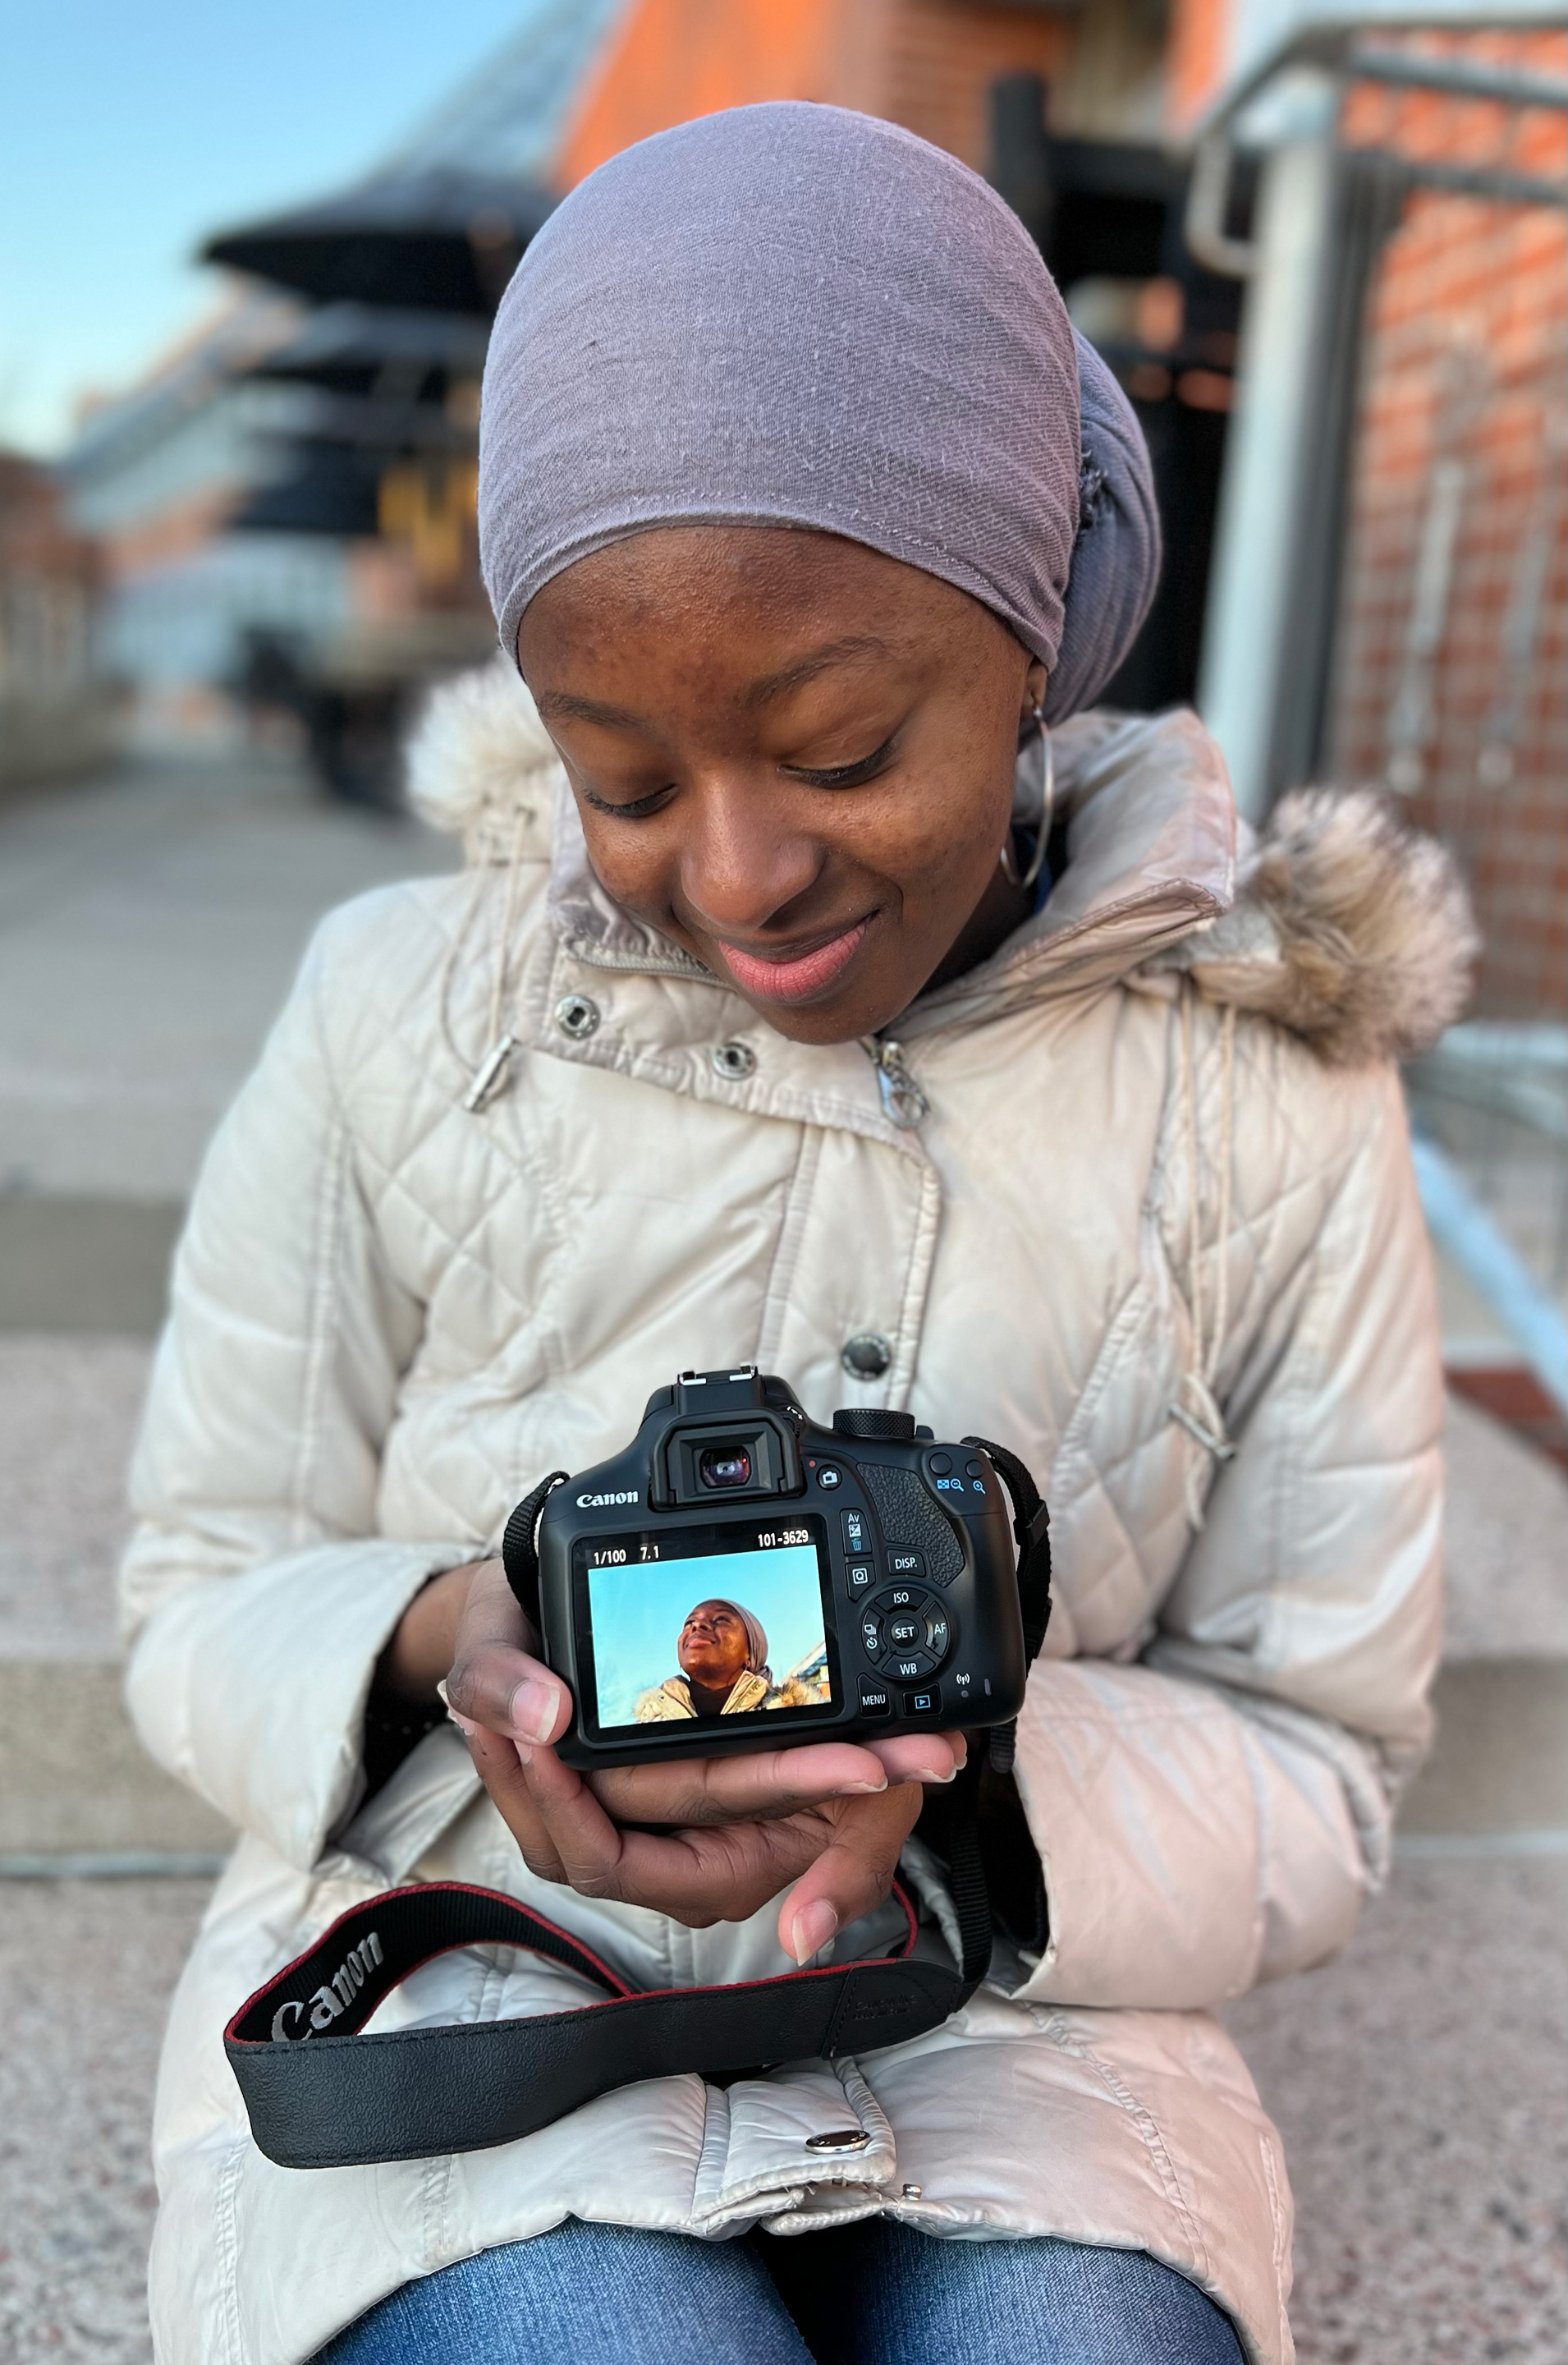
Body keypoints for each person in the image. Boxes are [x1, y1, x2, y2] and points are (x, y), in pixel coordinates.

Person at [120, 104, 1471, 2365]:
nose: (737, 875)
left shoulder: (1273, 1083)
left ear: (1037, 633)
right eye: (621, 778)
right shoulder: (397, 1009)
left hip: (1027, 2041)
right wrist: (451, 1636)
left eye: (846, 746)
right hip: (473, 1991)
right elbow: (192, 1592)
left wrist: (984, 1784)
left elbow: (1322, 1755)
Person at [633, 1596, 807, 1720]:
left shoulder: (794, 1717)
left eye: (721, 1619)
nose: (697, 1625)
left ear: (751, 1653)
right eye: (689, 1623)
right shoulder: (649, 1724)